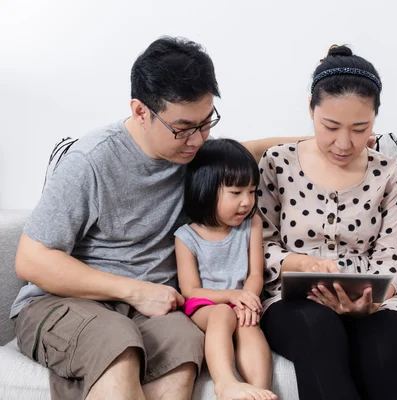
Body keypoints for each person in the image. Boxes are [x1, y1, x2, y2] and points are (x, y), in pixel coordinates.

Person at [11, 36, 301, 400]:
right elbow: (30, 259)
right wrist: (135, 291)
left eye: (206, 122)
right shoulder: (91, 161)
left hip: (157, 310)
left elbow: (254, 148)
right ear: (140, 111)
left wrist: (325, 141)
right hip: (65, 303)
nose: (197, 139)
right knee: (118, 345)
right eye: (183, 128)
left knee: (183, 349)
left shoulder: (196, 156)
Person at [257, 45, 397, 400]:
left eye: (360, 129)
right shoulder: (277, 163)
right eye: (330, 127)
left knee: (388, 348)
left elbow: (393, 253)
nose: (344, 143)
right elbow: (260, 244)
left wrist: (375, 298)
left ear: (375, 120)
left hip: (374, 299)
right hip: (294, 299)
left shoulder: (389, 172)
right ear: (310, 110)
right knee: (318, 331)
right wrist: (299, 263)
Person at [174, 139, 276, 400]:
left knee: (248, 323)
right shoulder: (186, 237)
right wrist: (232, 297)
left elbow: (255, 274)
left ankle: (260, 390)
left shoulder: (251, 223)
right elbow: (191, 290)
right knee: (222, 314)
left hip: (242, 300)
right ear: (206, 190)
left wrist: (249, 300)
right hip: (205, 306)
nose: (246, 202)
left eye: (252, 191)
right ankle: (225, 384)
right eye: (236, 193)